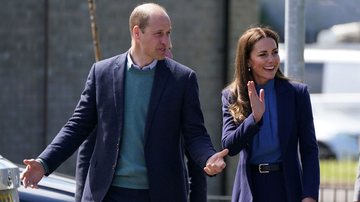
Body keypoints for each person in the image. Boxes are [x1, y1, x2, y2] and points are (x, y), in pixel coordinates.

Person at [20, 3, 228, 202]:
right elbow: (76, 127)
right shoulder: (101, 73)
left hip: (161, 194)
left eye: (168, 33)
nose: (167, 41)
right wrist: (43, 163)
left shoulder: (183, 79)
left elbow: (195, 134)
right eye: (159, 34)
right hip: (108, 193)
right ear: (137, 33)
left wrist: (208, 157)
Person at [75, 48, 208, 202]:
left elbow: (195, 154)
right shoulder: (107, 77)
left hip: (161, 193)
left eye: (169, 50)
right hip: (108, 192)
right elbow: (87, 148)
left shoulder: (180, 85)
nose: (167, 54)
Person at [221, 26, 319, 202]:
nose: (272, 60)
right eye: (263, 54)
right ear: (248, 61)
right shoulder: (232, 95)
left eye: (274, 52)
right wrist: (254, 119)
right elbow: (230, 146)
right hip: (250, 189)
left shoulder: (297, 93)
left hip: (287, 187)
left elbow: (309, 149)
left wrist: (310, 195)